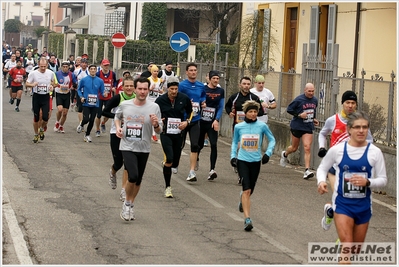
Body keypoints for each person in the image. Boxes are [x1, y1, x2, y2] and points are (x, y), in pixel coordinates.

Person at [316, 111, 387, 264]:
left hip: (363, 206)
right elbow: (322, 168)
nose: (361, 130)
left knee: (355, 249)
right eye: (357, 127)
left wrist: (368, 182)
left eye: (365, 127)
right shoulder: (338, 150)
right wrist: (321, 181)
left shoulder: (375, 152)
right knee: (347, 245)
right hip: (343, 205)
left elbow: (383, 180)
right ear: (349, 129)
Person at [317, 90, 373, 231]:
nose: (350, 105)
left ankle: (330, 210)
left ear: (356, 105)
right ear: (342, 104)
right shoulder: (333, 120)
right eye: (347, 102)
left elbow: (370, 141)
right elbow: (322, 133)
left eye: (353, 103)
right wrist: (322, 147)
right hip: (335, 168)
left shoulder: (360, 123)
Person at [114, 76, 162, 221]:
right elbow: (117, 117)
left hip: (144, 147)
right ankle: (127, 204)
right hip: (127, 145)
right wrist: (118, 128)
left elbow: (159, 130)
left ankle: (130, 204)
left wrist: (155, 124)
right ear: (135, 89)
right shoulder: (125, 105)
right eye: (139, 89)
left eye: (145, 89)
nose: (142, 92)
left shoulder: (154, 107)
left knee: (139, 180)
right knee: (132, 176)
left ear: (148, 90)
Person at [230, 100, 275, 231]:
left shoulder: (262, 126)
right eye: (250, 111)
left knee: (250, 191)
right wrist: (233, 156)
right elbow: (234, 142)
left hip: (256, 161)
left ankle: (242, 200)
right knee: (247, 190)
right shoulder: (239, 127)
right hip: (242, 160)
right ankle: (247, 219)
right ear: (245, 113)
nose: (253, 114)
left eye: (255, 111)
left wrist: (267, 153)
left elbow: (272, 139)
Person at [155, 76, 192, 197]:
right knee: (169, 159)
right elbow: (154, 113)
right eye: (172, 89)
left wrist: (187, 122)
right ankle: (168, 187)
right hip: (166, 133)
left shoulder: (184, 98)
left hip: (179, 133)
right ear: (167, 88)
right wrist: (160, 120)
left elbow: (191, 112)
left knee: (175, 162)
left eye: (176, 89)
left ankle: (170, 164)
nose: (174, 91)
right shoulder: (160, 100)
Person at [225, 76, 264, 184]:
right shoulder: (235, 97)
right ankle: (239, 169)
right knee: (238, 147)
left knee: (247, 148)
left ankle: (243, 172)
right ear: (240, 85)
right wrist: (230, 113)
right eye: (244, 84)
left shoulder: (254, 98)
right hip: (238, 126)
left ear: (250, 85)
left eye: (248, 84)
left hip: (252, 127)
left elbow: (261, 111)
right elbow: (227, 107)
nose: (246, 86)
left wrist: (253, 114)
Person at [102, 75, 136, 201]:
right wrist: (118, 116)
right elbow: (104, 112)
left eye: (131, 86)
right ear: (122, 87)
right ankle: (113, 172)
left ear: (134, 87)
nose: (129, 88)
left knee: (128, 164)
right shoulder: (118, 98)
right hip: (116, 132)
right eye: (126, 86)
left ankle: (124, 190)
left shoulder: (137, 98)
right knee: (119, 162)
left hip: (132, 134)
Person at [279, 82, 319, 179]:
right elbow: (289, 109)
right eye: (309, 91)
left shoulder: (315, 100)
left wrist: (313, 119)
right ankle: (285, 154)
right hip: (297, 126)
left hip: (308, 127)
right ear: (305, 90)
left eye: (313, 91)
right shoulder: (299, 99)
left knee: (307, 147)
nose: (311, 93)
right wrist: (299, 115)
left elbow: (313, 110)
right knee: (294, 148)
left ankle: (307, 170)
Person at [178, 62, 206, 182]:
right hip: (184, 120)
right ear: (186, 72)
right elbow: (178, 99)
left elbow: (203, 97)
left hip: (195, 119)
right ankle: (174, 163)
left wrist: (203, 103)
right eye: (191, 70)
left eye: (195, 70)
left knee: (195, 145)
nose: (193, 72)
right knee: (180, 145)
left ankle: (192, 171)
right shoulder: (182, 85)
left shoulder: (201, 86)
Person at [197, 70, 225, 181]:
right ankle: (196, 157)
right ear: (209, 79)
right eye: (214, 78)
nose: (216, 80)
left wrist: (216, 119)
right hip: (201, 120)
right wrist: (201, 104)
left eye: (217, 79)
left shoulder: (220, 91)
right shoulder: (203, 89)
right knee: (199, 145)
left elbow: (220, 106)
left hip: (212, 122)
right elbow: (197, 100)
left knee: (213, 144)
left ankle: (212, 170)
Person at [25, 57, 56, 143]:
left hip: (45, 96)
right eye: (41, 66)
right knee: (36, 117)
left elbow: (53, 82)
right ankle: (35, 134)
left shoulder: (50, 73)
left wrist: (51, 86)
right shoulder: (33, 73)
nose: (43, 68)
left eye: (44, 66)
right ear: (38, 65)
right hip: (36, 97)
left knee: (46, 117)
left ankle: (42, 129)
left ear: (47, 65)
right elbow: (26, 84)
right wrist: (32, 85)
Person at [76, 64, 107, 143]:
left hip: (95, 103)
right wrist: (81, 97)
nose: (93, 70)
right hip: (86, 103)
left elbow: (102, 91)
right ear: (89, 70)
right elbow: (79, 89)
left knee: (92, 120)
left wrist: (104, 94)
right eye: (91, 69)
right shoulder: (84, 79)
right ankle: (82, 124)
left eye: (94, 69)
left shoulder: (100, 81)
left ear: (96, 71)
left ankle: (87, 134)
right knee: (86, 119)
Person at [94, 58, 117, 137]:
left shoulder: (112, 74)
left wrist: (114, 87)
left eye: (107, 65)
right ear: (101, 65)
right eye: (105, 65)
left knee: (108, 113)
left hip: (109, 97)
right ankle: (97, 129)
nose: (106, 66)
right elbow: (95, 84)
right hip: (100, 97)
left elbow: (115, 82)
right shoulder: (98, 74)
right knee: (99, 114)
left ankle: (103, 123)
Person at [54, 61, 77, 133]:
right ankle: (57, 122)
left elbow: (75, 82)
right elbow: (53, 82)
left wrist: (74, 86)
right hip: (59, 93)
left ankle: (61, 125)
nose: (65, 68)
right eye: (64, 67)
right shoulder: (57, 73)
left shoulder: (71, 74)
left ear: (68, 67)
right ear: (61, 67)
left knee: (65, 113)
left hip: (67, 94)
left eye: (66, 67)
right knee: (60, 110)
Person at [147, 64, 164, 142]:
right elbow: (146, 90)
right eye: (154, 71)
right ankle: (150, 133)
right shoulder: (148, 80)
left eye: (157, 71)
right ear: (151, 71)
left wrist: (161, 91)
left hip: (156, 101)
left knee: (155, 118)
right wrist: (150, 88)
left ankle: (153, 134)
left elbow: (161, 90)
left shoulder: (160, 80)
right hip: (148, 100)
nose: (156, 73)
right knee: (148, 117)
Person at [74, 57, 89, 131]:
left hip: (87, 92)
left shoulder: (89, 72)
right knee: (80, 108)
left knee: (86, 108)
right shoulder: (77, 71)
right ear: (80, 64)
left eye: (85, 63)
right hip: (79, 91)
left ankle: (84, 121)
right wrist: (75, 84)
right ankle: (81, 123)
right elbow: (73, 78)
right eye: (82, 63)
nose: (84, 64)